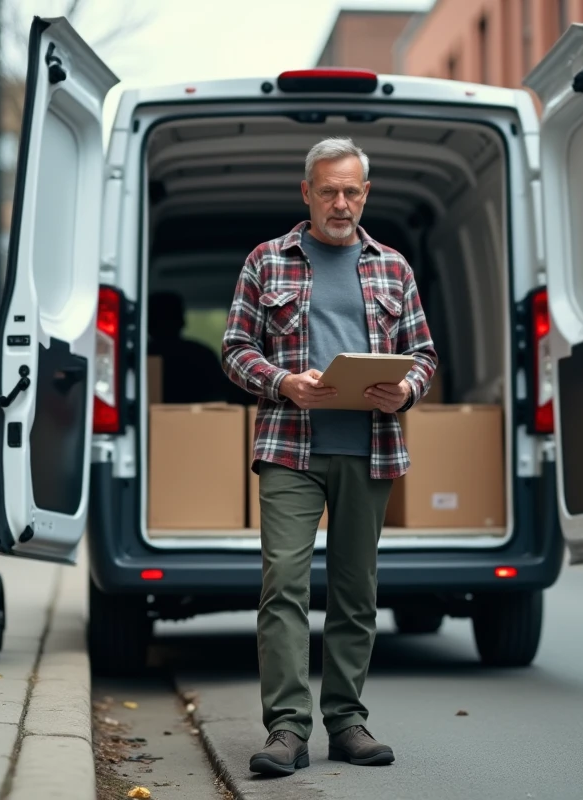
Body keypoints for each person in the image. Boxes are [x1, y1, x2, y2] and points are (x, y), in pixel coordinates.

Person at [221, 137, 438, 776]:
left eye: (351, 191)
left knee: (354, 592)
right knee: (283, 586)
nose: (340, 203)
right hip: (290, 446)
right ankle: (287, 729)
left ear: (365, 194)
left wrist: (403, 391)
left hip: (370, 450)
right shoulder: (267, 261)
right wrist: (284, 382)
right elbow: (235, 349)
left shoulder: (393, 267)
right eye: (328, 191)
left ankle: (347, 723)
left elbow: (424, 356)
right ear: (307, 193)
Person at [147, 291, 236, 404]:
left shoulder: (137, 358)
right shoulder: (203, 355)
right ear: (182, 321)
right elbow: (220, 397)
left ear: (147, 323)